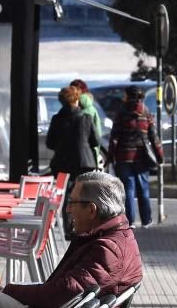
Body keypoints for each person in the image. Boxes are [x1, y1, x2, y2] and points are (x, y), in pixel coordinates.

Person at [0, 171, 142, 308]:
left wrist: (9, 290)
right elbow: (65, 291)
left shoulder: (108, 249)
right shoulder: (117, 238)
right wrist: (11, 291)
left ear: (91, 210)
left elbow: (62, 294)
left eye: (73, 203)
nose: (68, 209)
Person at [108, 85, 164, 228]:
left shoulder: (121, 113)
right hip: (142, 156)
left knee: (128, 190)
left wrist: (110, 155)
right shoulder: (146, 112)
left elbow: (114, 137)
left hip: (123, 157)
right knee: (143, 189)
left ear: (128, 96)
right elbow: (154, 137)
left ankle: (130, 221)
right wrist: (160, 155)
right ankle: (146, 220)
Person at [47, 86, 99, 237]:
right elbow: (95, 141)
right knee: (86, 194)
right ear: (77, 99)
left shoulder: (57, 119)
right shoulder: (85, 117)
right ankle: (87, 227)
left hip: (62, 163)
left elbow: (50, 143)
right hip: (84, 162)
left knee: (67, 195)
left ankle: (70, 228)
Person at [71, 79, 103, 169]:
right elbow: (97, 135)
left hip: (79, 155)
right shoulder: (91, 109)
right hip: (89, 156)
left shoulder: (79, 110)